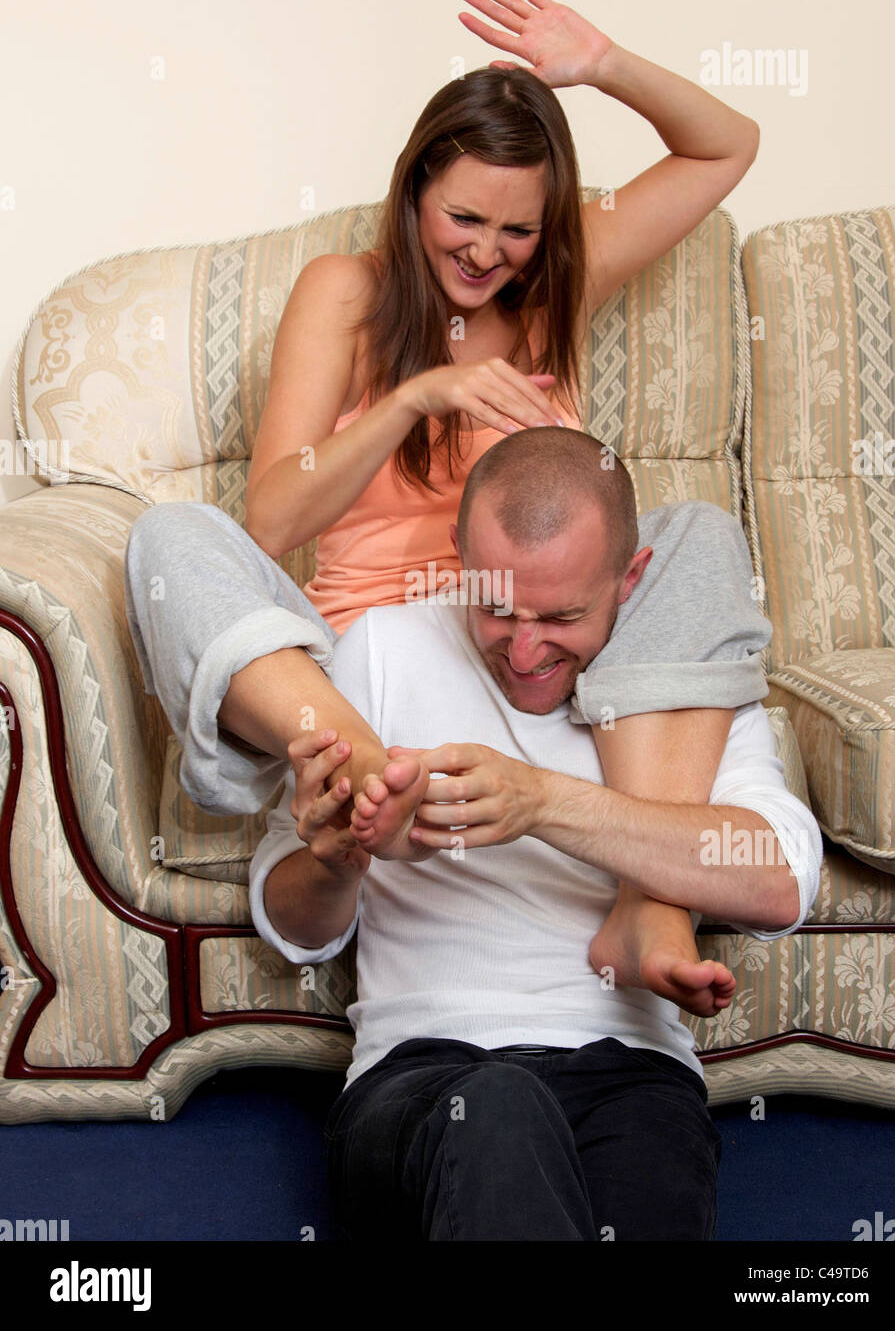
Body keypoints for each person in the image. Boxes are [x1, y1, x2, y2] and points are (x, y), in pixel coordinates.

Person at [124, 0, 770, 1017]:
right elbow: (270, 523)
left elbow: (725, 144)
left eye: (517, 231)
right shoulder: (347, 293)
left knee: (695, 530)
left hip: (521, 650)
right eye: (463, 217)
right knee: (170, 539)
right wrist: (414, 395)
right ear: (414, 190)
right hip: (368, 671)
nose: (485, 252)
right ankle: (378, 783)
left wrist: (599, 63)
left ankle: (650, 897)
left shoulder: (553, 293)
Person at [248, 429, 822, 1242]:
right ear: (459, 554)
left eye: (562, 616)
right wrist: (335, 862)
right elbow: (291, 928)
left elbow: (778, 879)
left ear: (630, 577)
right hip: (422, 1073)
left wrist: (546, 804)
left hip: (632, 1072)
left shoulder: (683, 685)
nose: (523, 652)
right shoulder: (382, 648)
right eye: (494, 609)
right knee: (499, 1106)